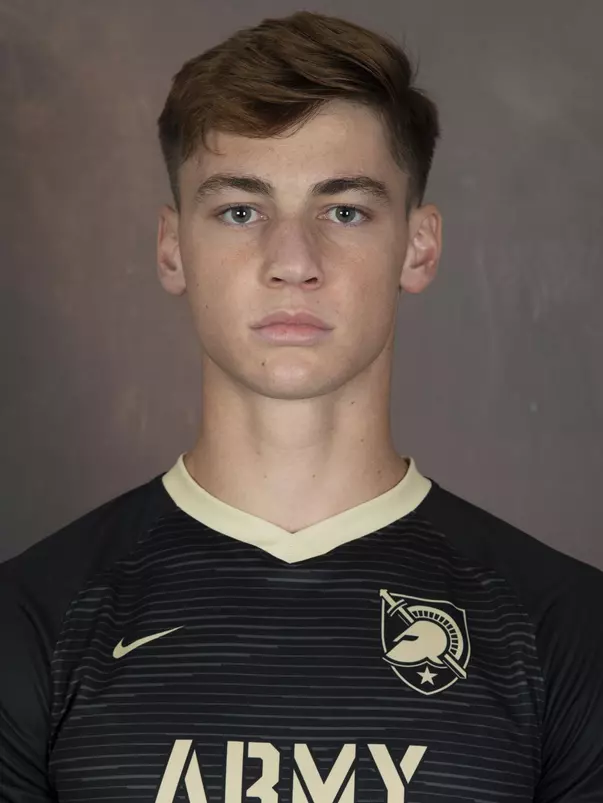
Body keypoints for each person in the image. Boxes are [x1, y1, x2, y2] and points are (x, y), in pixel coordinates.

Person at [1, 10, 602, 802]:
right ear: (172, 248)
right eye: (240, 211)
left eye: (343, 210)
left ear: (417, 246)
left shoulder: (565, 627)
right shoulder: (31, 619)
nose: (292, 261)